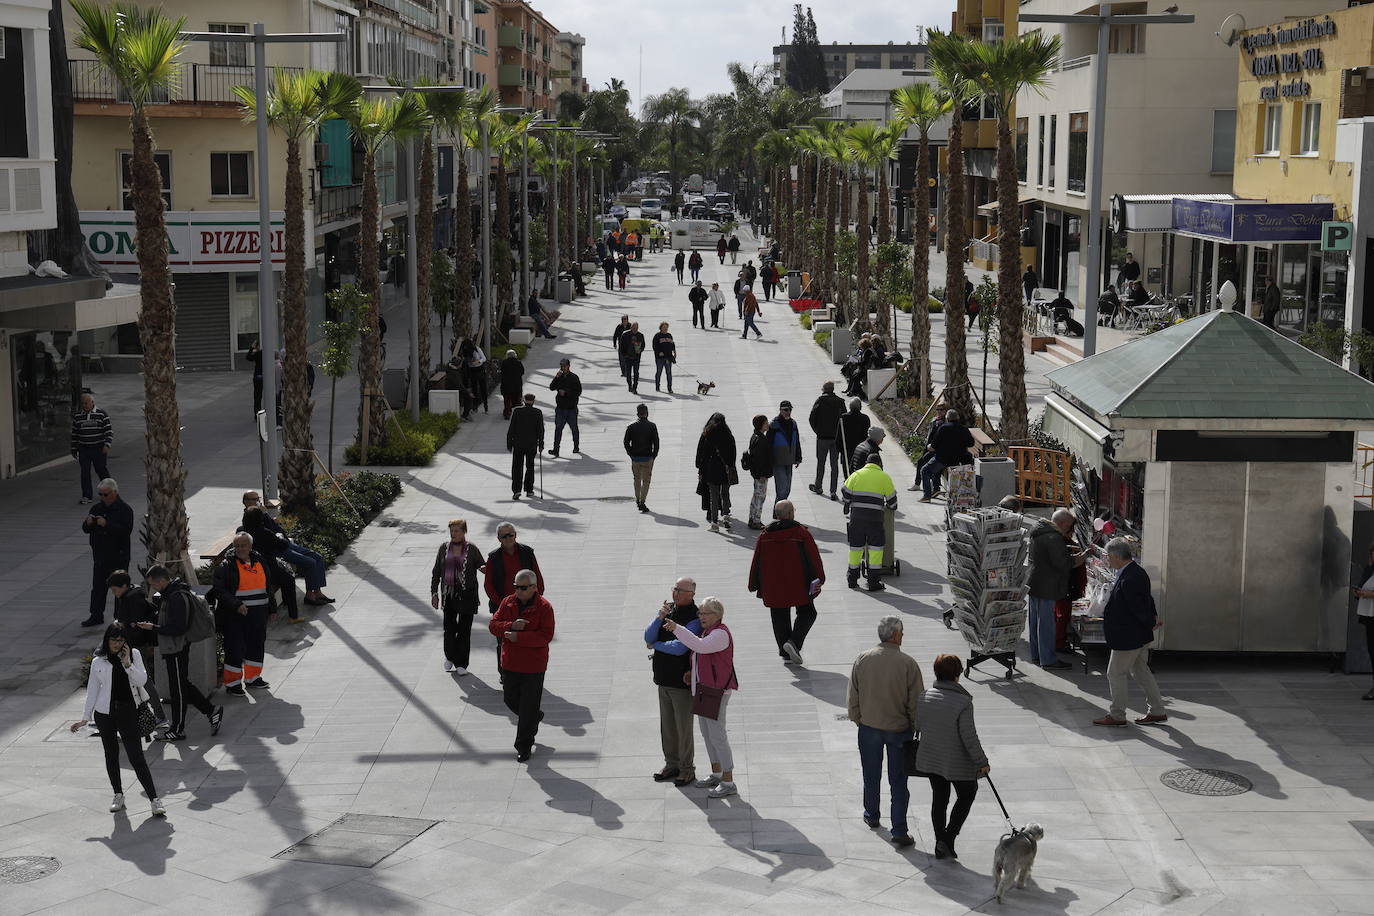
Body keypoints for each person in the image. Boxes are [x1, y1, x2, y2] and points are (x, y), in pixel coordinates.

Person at [70, 624, 166, 818]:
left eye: (121, 640)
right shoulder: (99, 661)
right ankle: (118, 794)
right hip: (104, 714)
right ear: (107, 640)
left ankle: (155, 800)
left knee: (136, 757)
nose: (117, 644)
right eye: (114, 640)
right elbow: (93, 690)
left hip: (128, 712)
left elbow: (141, 681)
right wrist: (84, 718)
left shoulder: (134, 655)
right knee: (111, 755)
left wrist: (128, 663)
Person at [848, 616, 923, 848]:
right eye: (902, 632)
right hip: (899, 730)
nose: (903, 636)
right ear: (895, 635)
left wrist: (859, 719)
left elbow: (853, 696)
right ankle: (899, 828)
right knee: (898, 781)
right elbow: (916, 702)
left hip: (869, 727)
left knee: (871, 775)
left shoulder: (863, 659)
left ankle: (871, 814)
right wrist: (915, 726)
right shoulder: (908, 663)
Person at [661, 597, 739, 798]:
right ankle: (716, 772)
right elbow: (699, 654)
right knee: (707, 733)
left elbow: (700, 646)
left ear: (718, 615)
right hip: (703, 689)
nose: (701, 617)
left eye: (706, 613)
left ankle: (728, 781)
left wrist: (677, 628)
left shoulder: (720, 634)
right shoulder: (708, 631)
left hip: (716, 691)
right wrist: (692, 672)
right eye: (700, 613)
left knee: (717, 735)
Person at [914, 653, 989, 860]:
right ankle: (948, 838)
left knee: (940, 798)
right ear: (958, 674)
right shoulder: (963, 702)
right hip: (956, 761)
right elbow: (969, 737)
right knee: (967, 793)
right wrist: (982, 762)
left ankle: (940, 841)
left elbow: (918, 726)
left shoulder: (924, 696)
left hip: (931, 759)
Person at [138, 565, 222, 741]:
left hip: (176, 648)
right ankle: (211, 711)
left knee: (178, 690)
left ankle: (178, 728)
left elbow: (178, 628)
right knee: (182, 685)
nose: (153, 588)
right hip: (173, 648)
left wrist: (153, 628)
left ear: (161, 580)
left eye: (153, 584)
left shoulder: (175, 597)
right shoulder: (172, 593)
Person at [1094, 538, 1168, 727]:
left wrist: (1150, 621)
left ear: (1117, 556)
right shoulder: (1135, 571)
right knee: (1141, 671)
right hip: (1137, 635)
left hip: (1129, 636)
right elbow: (1147, 600)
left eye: (1108, 557)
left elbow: (1137, 607)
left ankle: (1117, 715)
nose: (1107, 560)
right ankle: (1157, 710)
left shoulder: (1130, 577)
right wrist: (1151, 619)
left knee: (1115, 673)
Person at [489, 569, 555, 762]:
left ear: (534, 588)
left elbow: (545, 636)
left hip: (534, 666)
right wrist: (510, 626)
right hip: (510, 663)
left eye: (523, 588)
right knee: (510, 700)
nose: (518, 591)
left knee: (527, 706)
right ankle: (534, 716)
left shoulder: (544, 607)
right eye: (516, 587)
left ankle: (524, 745)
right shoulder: (507, 602)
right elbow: (493, 625)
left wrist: (519, 637)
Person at [749, 500, 825, 665]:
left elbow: (756, 560)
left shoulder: (765, 535)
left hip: (772, 585)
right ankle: (793, 643)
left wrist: (753, 583)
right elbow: (814, 558)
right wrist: (820, 578)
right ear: (790, 514)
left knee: (779, 614)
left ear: (777, 515)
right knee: (808, 612)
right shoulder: (801, 533)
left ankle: (785, 653)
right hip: (799, 584)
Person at [645, 577, 702, 787]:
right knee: (667, 727)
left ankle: (687, 768)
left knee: (683, 728)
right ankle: (672, 764)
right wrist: (659, 616)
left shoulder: (695, 618)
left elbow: (680, 647)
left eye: (680, 590)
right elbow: (647, 635)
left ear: (691, 594)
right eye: (674, 589)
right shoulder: (668, 611)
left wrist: (656, 645)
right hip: (663, 678)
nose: (675, 593)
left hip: (681, 682)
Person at [213, 532, 277, 696]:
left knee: (256, 644)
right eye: (237, 546)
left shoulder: (260, 561)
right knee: (235, 647)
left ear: (250, 546)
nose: (240, 549)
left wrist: (272, 608)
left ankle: (253, 678)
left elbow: (267, 586)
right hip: (235, 615)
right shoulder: (226, 566)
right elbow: (220, 591)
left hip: (258, 614)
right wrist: (237, 605)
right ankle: (233, 684)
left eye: (243, 545)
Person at [242, 491, 333, 606]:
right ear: (246, 502)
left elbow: (274, 528)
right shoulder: (251, 516)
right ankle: (310, 595)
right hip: (278, 549)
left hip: (285, 543)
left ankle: (318, 592)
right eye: (254, 499)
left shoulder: (258, 512)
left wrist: (271, 521)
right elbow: (268, 532)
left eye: (258, 498)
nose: (258, 502)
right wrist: (265, 514)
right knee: (310, 562)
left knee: (318, 557)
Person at [107, 572, 166, 724]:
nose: (114, 593)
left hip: (135, 646)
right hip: (129, 644)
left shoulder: (133, 600)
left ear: (125, 586)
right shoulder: (126, 596)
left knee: (144, 680)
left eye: (115, 590)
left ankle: (159, 715)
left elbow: (135, 627)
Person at [1027, 508, 1083, 670]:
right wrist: (1081, 558)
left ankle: (1037, 655)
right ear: (1063, 523)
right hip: (1047, 585)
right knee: (1046, 624)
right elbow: (1062, 564)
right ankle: (1048, 659)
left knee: (1035, 621)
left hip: (1035, 581)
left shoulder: (1039, 530)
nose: (1070, 530)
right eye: (1070, 526)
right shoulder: (1054, 537)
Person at [430, 519, 485, 675]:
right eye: (452, 531)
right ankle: (450, 656)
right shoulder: (443, 548)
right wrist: (434, 593)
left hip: (467, 594)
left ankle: (462, 664)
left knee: (464, 630)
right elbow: (436, 572)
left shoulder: (472, 549)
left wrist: (486, 568)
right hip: (448, 594)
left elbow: (481, 565)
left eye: (457, 531)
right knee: (449, 628)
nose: (453, 534)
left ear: (464, 532)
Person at [81, 477, 133, 628]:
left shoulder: (125, 510)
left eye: (106, 494)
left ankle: (120, 616)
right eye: (100, 494)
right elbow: (86, 529)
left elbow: (125, 531)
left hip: (118, 556)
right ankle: (96, 614)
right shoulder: (97, 508)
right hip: (100, 555)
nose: (103, 497)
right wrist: (88, 523)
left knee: (120, 587)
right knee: (98, 586)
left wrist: (107, 524)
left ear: (114, 493)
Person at [842, 452, 897, 592]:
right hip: (875, 520)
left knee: (855, 549)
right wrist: (891, 505)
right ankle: (873, 582)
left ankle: (852, 580)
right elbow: (892, 502)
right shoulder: (884, 477)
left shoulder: (856, 475)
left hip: (857, 519)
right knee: (875, 550)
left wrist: (848, 503)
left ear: (866, 462)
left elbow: (845, 492)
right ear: (879, 464)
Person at [920, 410, 975, 502]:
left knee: (925, 470)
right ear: (958, 418)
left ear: (947, 418)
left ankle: (927, 496)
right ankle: (935, 490)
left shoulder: (943, 428)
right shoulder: (964, 429)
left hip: (943, 459)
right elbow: (971, 443)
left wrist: (929, 446)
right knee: (936, 469)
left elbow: (933, 446)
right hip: (958, 460)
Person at [696, 412, 737, 533]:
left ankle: (714, 523)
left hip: (712, 469)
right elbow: (733, 454)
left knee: (714, 497)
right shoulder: (729, 436)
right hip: (725, 470)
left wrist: (701, 471)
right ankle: (726, 517)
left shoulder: (708, 435)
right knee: (725, 493)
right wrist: (731, 466)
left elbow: (704, 456)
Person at [72, 391, 114, 505]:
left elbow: (108, 431)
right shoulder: (78, 417)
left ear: (92, 402)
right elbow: (75, 434)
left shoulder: (101, 414)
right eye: (83, 403)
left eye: (87, 403)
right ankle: (86, 495)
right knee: (85, 471)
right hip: (84, 449)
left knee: (101, 470)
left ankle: (109, 492)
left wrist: (107, 444)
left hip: (98, 448)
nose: (85, 405)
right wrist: (74, 449)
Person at [808, 381, 845, 499]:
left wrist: (817, 431)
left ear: (824, 389)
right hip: (835, 438)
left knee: (821, 463)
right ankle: (833, 491)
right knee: (834, 465)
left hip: (822, 438)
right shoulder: (840, 402)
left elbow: (811, 418)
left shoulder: (820, 400)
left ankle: (818, 486)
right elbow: (843, 419)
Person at [506, 393, 544, 500]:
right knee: (530, 467)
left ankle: (516, 490)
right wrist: (541, 444)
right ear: (533, 401)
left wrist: (509, 443)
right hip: (531, 445)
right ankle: (529, 490)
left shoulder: (517, 411)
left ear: (524, 400)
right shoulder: (537, 412)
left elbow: (512, 428)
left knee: (517, 468)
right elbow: (540, 430)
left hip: (518, 444)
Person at [625, 404, 660, 513]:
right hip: (647, 457)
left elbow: (626, 442)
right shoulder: (652, 426)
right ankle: (642, 501)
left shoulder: (631, 426)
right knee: (646, 481)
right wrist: (654, 455)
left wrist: (630, 454)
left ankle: (637, 499)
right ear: (647, 413)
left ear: (637, 413)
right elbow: (656, 442)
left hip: (635, 458)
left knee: (636, 479)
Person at [1351, 543, 1374, 700]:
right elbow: (1361, 587)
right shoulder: (1369, 569)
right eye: (1373, 553)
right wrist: (1358, 592)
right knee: (1372, 651)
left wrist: (1371, 594)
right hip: (1369, 616)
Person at [743, 414, 773, 530]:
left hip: (757, 473)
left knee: (756, 496)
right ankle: (756, 520)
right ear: (761, 425)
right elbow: (760, 459)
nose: (767, 424)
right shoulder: (760, 439)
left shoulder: (755, 436)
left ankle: (752, 518)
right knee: (760, 497)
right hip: (761, 474)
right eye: (766, 423)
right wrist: (762, 474)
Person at [547, 358, 582, 457]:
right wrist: (556, 377)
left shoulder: (574, 377)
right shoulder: (559, 377)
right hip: (560, 408)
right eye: (561, 366)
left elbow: (578, 392)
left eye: (564, 366)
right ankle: (556, 449)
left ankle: (576, 446)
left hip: (571, 408)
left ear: (568, 366)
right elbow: (551, 387)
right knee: (558, 429)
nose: (562, 367)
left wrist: (566, 393)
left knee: (574, 428)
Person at [837, 398, 872, 478]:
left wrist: (840, 450)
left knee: (848, 475)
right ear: (860, 407)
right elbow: (867, 436)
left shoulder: (843, 418)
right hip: (860, 451)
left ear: (850, 407)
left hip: (846, 451)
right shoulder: (865, 418)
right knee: (859, 474)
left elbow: (838, 436)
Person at [458, 338, 489, 414]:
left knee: (483, 388)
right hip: (472, 371)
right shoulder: (465, 352)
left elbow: (484, 358)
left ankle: (485, 406)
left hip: (480, 370)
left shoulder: (477, 349)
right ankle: (475, 406)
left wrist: (478, 361)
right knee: (474, 389)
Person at [618, 321, 645, 393]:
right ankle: (630, 385)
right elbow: (621, 346)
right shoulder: (625, 335)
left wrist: (640, 350)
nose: (635, 329)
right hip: (628, 357)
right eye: (633, 327)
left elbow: (643, 345)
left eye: (636, 328)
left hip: (636, 358)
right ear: (631, 327)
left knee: (636, 373)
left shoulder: (640, 335)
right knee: (628, 373)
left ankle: (635, 387)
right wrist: (624, 355)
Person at [499, 349, 524, 419]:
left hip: (506, 385)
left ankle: (507, 414)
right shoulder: (518, 362)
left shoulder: (504, 362)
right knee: (517, 400)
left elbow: (502, 373)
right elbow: (522, 372)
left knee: (507, 400)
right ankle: (518, 415)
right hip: (517, 385)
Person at [652, 322, 676, 393]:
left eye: (667, 327)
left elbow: (672, 344)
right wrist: (659, 352)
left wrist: (674, 351)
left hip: (668, 357)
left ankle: (669, 388)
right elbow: (654, 346)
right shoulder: (657, 336)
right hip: (660, 358)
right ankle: (657, 386)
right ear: (661, 327)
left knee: (669, 373)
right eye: (664, 327)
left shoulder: (669, 335)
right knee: (659, 372)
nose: (666, 328)